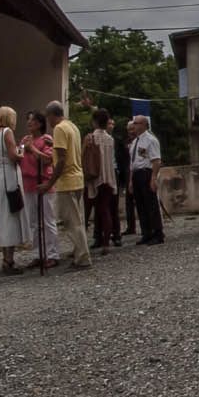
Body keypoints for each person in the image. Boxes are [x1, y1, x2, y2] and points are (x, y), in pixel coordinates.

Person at [43, 101, 91, 270]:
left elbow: (62, 159)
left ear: (51, 115)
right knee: (78, 220)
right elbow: (66, 150)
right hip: (78, 178)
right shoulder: (72, 127)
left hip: (67, 181)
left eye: (48, 117)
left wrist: (49, 183)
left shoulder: (59, 129)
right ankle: (80, 253)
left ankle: (82, 258)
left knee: (72, 222)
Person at [18, 110, 58, 268]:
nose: (29, 123)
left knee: (48, 220)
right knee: (33, 222)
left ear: (40, 123)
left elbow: (48, 160)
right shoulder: (25, 139)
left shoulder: (46, 139)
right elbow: (20, 156)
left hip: (43, 183)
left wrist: (32, 149)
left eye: (32, 120)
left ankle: (52, 254)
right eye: (28, 120)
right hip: (28, 183)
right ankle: (38, 253)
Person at [0, 107, 25, 275]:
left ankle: (5, 258)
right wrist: (23, 148)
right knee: (11, 216)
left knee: (1, 216)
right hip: (8, 177)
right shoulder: (7, 132)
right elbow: (14, 156)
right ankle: (9, 260)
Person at [128, 115, 165, 245]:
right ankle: (146, 232)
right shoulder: (134, 142)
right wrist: (131, 180)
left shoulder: (151, 140)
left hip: (146, 172)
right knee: (141, 205)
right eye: (134, 123)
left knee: (151, 204)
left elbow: (156, 160)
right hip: (137, 174)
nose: (134, 125)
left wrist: (153, 178)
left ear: (144, 125)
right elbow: (133, 163)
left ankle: (158, 233)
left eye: (137, 123)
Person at [85, 109, 119, 250]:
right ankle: (105, 242)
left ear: (94, 121)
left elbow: (85, 157)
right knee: (105, 211)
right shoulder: (110, 139)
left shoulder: (91, 138)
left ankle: (84, 244)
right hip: (108, 177)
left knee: (86, 212)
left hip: (94, 177)